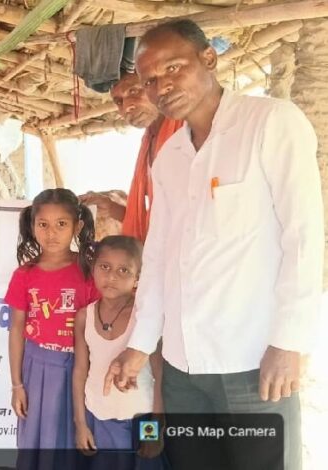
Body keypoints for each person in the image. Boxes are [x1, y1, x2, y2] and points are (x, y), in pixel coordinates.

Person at [104, 19, 323, 470]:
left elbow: (303, 235)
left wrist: (288, 341)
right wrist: (140, 344)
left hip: (253, 360)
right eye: (150, 80)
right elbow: (159, 256)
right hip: (183, 367)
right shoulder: (170, 158)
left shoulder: (270, 123)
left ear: (208, 58)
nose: (162, 86)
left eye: (173, 67)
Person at [4, 188, 98, 464]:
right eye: (43, 224)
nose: (51, 233)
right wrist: (17, 385)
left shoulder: (90, 271)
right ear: (32, 226)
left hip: (82, 367)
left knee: (76, 435)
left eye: (61, 224)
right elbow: (16, 329)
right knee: (39, 440)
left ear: (77, 227)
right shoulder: (24, 275)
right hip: (37, 368)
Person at [73, 236, 163, 469]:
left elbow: (160, 376)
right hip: (100, 416)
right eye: (105, 267)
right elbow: (80, 371)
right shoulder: (84, 316)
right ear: (93, 268)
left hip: (142, 417)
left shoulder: (145, 319)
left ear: (138, 277)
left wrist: (156, 430)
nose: (112, 276)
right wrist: (81, 424)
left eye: (123, 270)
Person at [81, 71, 182, 242]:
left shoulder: (189, 133)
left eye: (134, 91)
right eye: (119, 101)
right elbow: (155, 221)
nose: (127, 106)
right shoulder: (148, 143)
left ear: (155, 87)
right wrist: (110, 207)